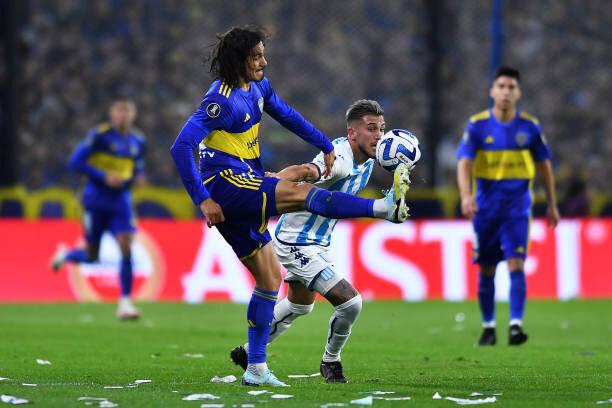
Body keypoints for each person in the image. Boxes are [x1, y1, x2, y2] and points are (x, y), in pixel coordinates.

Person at [169, 26, 411, 387]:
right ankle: (382, 209)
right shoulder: (219, 102)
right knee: (299, 193)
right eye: (256, 56)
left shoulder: (258, 88)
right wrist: (202, 199)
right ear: (239, 60)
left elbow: (285, 113)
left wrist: (322, 144)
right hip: (225, 183)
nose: (264, 61)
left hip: (244, 179)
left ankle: (255, 369)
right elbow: (180, 146)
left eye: (263, 54)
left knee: (269, 279)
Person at [228, 99, 396, 383]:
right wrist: (275, 182)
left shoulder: (368, 159)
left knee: (300, 305)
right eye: (371, 128)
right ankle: (331, 362)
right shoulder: (340, 158)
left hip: (316, 242)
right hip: (296, 243)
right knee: (350, 302)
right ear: (352, 132)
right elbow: (307, 171)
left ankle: (248, 352)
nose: (378, 135)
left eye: (381, 128)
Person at [456, 66, 560, 346]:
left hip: (517, 208)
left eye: (511, 87)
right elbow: (464, 163)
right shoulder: (477, 125)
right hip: (485, 208)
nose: (506, 91)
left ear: (518, 92)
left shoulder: (529, 127)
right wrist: (466, 196)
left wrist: (552, 204)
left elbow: (545, 166)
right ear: (492, 91)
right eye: (501, 86)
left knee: (516, 263)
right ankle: (489, 327)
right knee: (487, 268)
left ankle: (516, 325)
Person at [51, 98, 146, 320]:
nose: (123, 115)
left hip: (121, 200)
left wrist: (136, 178)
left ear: (133, 114)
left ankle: (125, 303)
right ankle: (65, 255)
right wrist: (103, 176)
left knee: (126, 244)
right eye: (119, 111)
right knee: (92, 255)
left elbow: (137, 168)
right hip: (94, 200)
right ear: (112, 114)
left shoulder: (138, 141)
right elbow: (75, 161)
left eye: (127, 111)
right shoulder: (100, 136)